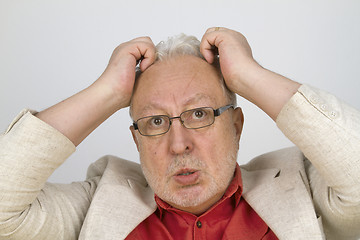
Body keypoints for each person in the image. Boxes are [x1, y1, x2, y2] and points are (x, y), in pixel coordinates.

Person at [0, 27, 359, 240]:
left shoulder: (304, 190)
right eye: (155, 122)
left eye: (199, 113)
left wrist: (249, 75)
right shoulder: (97, 204)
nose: (179, 144)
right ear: (136, 140)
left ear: (235, 126)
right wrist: (107, 91)